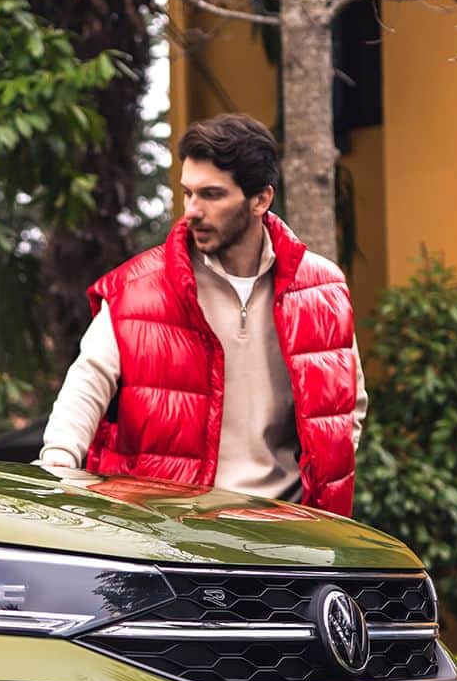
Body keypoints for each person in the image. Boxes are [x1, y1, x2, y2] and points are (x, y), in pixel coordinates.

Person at [37, 113, 368, 516]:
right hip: (171, 536)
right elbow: (86, 384)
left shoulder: (320, 289)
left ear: (260, 199)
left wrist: (317, 486)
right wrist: (57, 465)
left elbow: (346, 404)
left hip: (286, 535)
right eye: (187, 193)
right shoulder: (137, 289)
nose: (192, 210)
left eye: (211, 195)